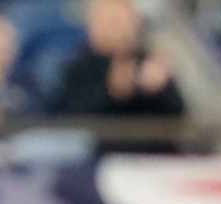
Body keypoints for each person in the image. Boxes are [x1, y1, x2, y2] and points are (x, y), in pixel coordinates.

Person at [48, 0, 183, 130]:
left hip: (150, 150)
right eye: (109, 21)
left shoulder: (149, 64)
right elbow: (65, 120)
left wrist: (158, 90)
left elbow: (179, 117)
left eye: (122, 21)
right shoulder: (77, 66)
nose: (117, 29)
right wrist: (111, 92)